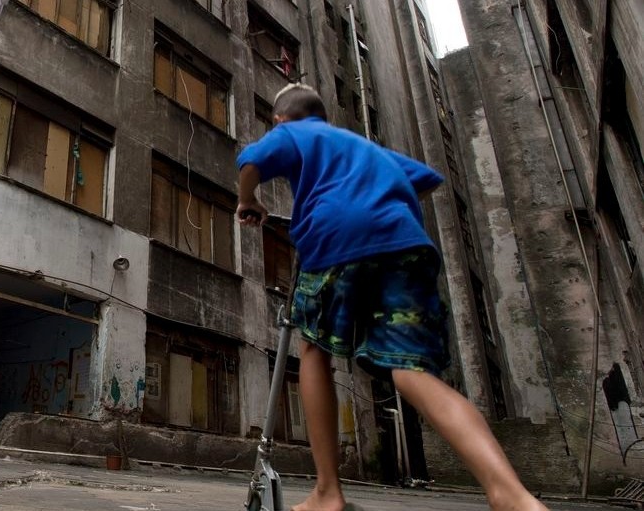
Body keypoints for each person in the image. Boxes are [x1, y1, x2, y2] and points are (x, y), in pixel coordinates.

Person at [235, 83, 548, 511]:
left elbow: (251, 162)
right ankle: (510, 494)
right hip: (406, 244)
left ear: (280, 119)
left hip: (334, 238)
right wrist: (375, 199)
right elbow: (427, 179)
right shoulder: (367, 149)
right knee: (411, 370)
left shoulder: (294, 132)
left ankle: (328, 492)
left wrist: (248, 200)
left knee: (313, 350)